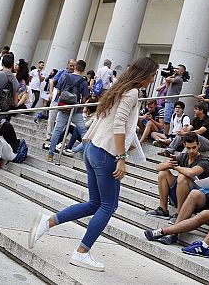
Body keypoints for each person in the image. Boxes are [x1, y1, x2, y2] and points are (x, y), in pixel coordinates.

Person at [28, 57, 158, 272]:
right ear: (143, 74)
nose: (153, 79)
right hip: (106, 153)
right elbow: (118, 125)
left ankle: (47, 222)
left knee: (94, 203)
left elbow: (107, 120)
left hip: (93, 149)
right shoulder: (132, 92)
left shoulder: (119, 88)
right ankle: (82, 252)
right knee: (108, 205)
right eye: (152, 75)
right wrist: (122, 158)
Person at [146, 132, 209, 219]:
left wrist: (176, 167)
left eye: (194, 147)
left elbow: (191, 172)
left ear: (199, 145)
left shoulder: (204, 161)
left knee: (182, 176)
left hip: (198, 198)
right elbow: (158, 167)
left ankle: (180, 214)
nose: (191, 151)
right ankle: (163, 209)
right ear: (184, 145)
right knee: (163, 173)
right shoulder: (183, 156)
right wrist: (169, 164)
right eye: (188, 148)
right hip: (182, 193)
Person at [46, 60, 89, 162]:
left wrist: (63, 103)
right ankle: (80, 152)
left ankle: (50, 154)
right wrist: (80, 108)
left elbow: (59, 92)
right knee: (85, 133)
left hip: (63, 109)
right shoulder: (83, 81)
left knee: (57, 131)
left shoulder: (64, 76)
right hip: (75, 111)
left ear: (75, 67)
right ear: (83, 69)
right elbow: (84, 98)